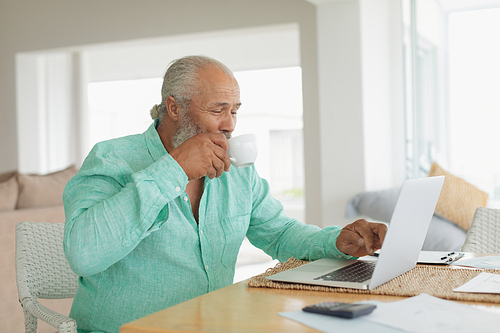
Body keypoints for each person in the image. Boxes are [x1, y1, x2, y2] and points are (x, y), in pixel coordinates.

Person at [63, 55, 387, 333]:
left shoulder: (237, 170)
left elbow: (280, 233)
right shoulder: (112, 158)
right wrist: (174, 169)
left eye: (235, 110)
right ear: (174, 107)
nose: (230, 124)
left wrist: (335, 242)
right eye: (219, 109)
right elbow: (84, 253)